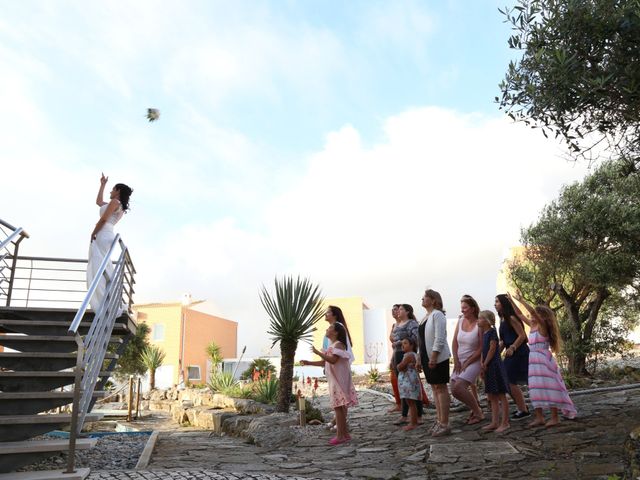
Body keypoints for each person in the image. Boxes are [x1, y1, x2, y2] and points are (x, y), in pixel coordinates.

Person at [510, 293, 577, 427]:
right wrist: (511, 301)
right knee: (535, 388)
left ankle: (554, 417)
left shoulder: (543, 327)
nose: (531, 316)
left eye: (535, 315)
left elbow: (531, 311)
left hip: (544, 362)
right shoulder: (532, 326)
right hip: (533, 362)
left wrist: (522, 300)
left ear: (543, 318)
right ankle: (539, 417)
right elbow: (519, 314)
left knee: (550, 387)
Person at [300, 322, 358, 445]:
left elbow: (332, 360)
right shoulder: (334, 345)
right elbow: (325, 362)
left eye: (330, 328)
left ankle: (340, 435)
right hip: (335, 380)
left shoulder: (339, 345)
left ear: (336, 332)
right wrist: (309, 362)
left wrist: (318, 352)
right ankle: (345, 434)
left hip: (338, 381)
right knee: (340, 408)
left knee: (338, 408)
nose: (327, 329)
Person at [87, 173, 132, 312]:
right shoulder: (118, 205)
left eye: (112, 189)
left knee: (98, 267)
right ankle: (110, 300)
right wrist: (102, 184)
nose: (110, 191)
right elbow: (99, 202)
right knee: (103, 266)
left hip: (103, 233)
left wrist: (94, 232)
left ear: (118, 191)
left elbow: (103, 220)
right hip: (108, 234)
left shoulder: (115, 203)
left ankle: (104, 302)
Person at [418, 289, 451, 437]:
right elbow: (422, 340)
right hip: (426, 357)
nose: (422, 299)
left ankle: (445, 423)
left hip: (437, 357)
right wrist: (420, 357)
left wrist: (434, 356)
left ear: (433, 300)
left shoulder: (437, 315)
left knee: (441, 387)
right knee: (434, 388)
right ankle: (439, 420)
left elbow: (440, 337)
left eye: (425, 297)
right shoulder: (425, 317)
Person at [495, 294, 530, 420]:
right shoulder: (502, 320)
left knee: (509, 381)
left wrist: (513, 347)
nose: (495, 304)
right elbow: (503, 340)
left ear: (504, 304)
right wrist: (495, 354)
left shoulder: (511, 318)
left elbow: (522, 335)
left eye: (497, 301)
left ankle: (523, 409)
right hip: (510, 352)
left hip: (519, 352)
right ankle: (522, 406)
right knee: (506, 380)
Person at [450, 295, 484, 425]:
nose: (462, 310)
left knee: (459, 386)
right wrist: (456, 360)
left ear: (473, 308)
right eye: (461, 308)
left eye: (465, 307)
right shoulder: (460, 321)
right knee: (453, 389)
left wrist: (469, 361)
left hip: (473, 360)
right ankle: (475, 409)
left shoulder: (479, 324)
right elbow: (454, 342)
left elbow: (481, 347)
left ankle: (478, 412)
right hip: (460, 360)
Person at [391, 304, 425, 425]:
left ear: (407, 311)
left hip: (408, 355)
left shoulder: (411, 323)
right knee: (403, 386)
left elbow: (416, 339)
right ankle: (404, 415)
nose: (397, 311)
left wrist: (399, 343)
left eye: (400, 309)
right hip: (397, 354)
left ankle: (419, 415)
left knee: (412, 386)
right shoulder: (397, 324)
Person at [478, 310, 510, 433]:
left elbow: (492, 349)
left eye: (480, 318)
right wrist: (482, 363)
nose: (478, 320)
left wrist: (485, 363)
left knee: (501, 395)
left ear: (487, 321)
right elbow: (483, 350)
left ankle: (505, 422)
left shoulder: (492, 332)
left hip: (494, 366)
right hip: (487, 366)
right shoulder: (484, 333)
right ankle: (494, 422)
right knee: (492, 395)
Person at [396, 337, 421, 431]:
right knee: (410, 402)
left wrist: (398, 366)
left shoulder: (409, 355)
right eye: (402, 343)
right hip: (408, 381)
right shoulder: (410, 355)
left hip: (409, 382)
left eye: (405, 343)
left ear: (412, 345)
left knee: (411, 402)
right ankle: (413, 420)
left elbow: (400, 367)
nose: (403, 345)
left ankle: (413, 422)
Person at [388, 304, 402, 413]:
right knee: (394, 379)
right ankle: (399, 403)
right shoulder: (394, 325)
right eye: (392, 310)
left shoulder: (405, 324)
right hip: (395, 354)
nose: (393, 311)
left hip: (404, 354)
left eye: (395, 309)